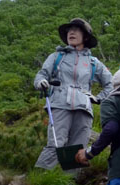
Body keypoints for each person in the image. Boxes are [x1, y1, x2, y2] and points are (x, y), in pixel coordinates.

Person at [32, 18, 113, 170]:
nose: (71, 32)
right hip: (59, 104)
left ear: (86, 37)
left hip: (84, 107)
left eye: (76, 30)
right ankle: (39, 180)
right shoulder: (56, 57)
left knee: (77, 149)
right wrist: (41, 82)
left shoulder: (93, 62)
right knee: (56, 143)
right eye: (69, 30)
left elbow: (111, 84)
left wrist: (98, 98)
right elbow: (41, 75)